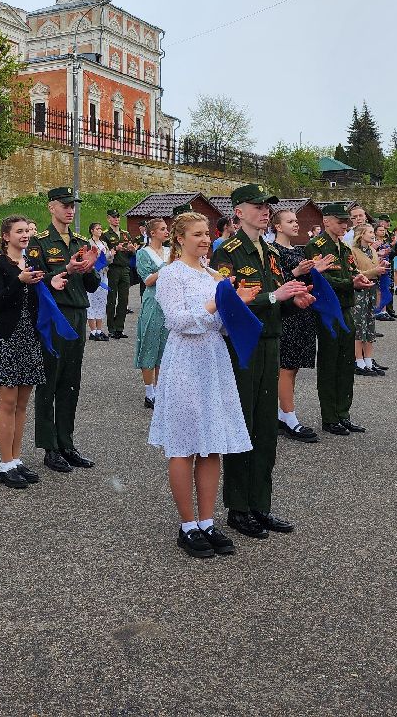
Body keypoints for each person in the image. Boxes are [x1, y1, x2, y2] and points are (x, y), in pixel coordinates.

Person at [150, 211, 256, 558]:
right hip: (184, 361)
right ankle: (187, 525)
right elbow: (178, 321)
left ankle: (208, 521)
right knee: (184, 444)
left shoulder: (214, 275)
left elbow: (222, 325)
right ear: (179, 239)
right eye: (196, 234)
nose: (204, 239)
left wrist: (236, 306)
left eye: (207, 233)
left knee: (211, 442)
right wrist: (217, 303)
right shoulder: (171, 274)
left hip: (213, 360)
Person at [209, 183, 308, 539]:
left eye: (268, 206)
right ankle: (238, 507)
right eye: (257, 205)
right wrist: (273, 296)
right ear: (238, 211)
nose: (265, 211)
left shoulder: (270, 251)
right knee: (243, 423)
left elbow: (277, 292)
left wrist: (292, 298)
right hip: (243, 346)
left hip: (270, 342)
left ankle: (260, 504)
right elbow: (226, 303)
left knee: (266, 428)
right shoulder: (227, 253)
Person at [31, 187, 101, 473]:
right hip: (53, 315)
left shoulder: (80, 242)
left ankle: (67, 442)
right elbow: (35, 280)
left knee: (71, 380)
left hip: (76, 313)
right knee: (50, 378)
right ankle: (50, 447)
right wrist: (65, 272)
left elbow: (93, 286)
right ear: (51, 207)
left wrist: (89, 270)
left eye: (73, 205)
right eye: (65, 205)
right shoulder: (40, 242)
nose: (70, 210)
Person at [0, 214, 47, 490]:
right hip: (6, 337)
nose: (24, 235)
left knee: (22, 404)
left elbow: (37, 298)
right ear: (6, 236)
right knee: (7, 402)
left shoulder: (31, 262)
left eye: (26, 231)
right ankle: (4, 463)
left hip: (29, 337)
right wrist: (20, 280)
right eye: (18, 231)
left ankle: (16, 459)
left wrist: (51, 285)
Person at [304, 202, 376, 438]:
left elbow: (350, 272)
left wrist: (359, 279)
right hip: (328, 312)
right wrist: (350, 283)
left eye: (346, 221)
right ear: (326, 222)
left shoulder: (343, 248)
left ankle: (343, 414)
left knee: (346, 364)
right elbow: (320, 282)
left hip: (346, 308)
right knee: (330, 364)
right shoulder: (317, 246)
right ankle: (330, 417)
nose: (344, 224)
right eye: (340, 221)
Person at [267, 209, 332, 443]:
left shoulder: (300, 250)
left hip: (303, 311)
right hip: (286, 313)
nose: (296, 224)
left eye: (296, 220)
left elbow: (305, 281)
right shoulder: (272, 251)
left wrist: (316, 272)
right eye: (290, 221)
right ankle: (289, 417)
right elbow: (274, 283)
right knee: (285, 367)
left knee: (292, 367)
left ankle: (283, 412)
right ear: (277, 226)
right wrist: (297, 272)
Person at [134, 218, 171, 407]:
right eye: (163, 229)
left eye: (167, 229)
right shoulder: (143, 253)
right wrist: (167, 267)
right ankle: (149, 392)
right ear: (152, 233)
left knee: (165, 346)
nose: (167, 232)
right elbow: (148, 280)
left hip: (169, 301)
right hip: (153, 300)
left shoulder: (170, 251)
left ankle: (161, 388)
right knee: (150, 343)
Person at [349, 223, 387, 377]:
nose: (373, 234)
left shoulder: (372, 250)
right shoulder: (353, 252)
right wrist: (375, 270)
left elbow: (374, 270)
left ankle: (369, 360)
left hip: (371, 290)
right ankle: (358, 361)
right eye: (370, 232)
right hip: (359, 292)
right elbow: (355, 273)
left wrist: (381, 266)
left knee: (370, 323)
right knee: (359, 326)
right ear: (361, 234)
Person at [105, 208, 134, 340]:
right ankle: (111, 328)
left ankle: (119, 328)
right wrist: (115, 248)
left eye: (117, 217)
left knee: (124, 299)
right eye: (114, 217)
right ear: (108, 219)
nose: (116, 219)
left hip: (125, 268)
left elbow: (132, 251)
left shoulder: (125, 234)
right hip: (113, 269)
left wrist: (131, 249)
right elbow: (103, 252)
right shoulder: (105, 234)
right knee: (111, 299)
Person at [85, 222, 110, 342]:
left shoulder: (104, 243)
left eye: (101, 228)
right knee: (91, 301)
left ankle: (100, 330)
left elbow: (110, 258)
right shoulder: (88, 243)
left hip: (104, 274)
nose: (100, 230)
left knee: (102, 301)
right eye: (97, 228)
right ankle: (93, 331)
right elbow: (87, 258)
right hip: (93, 274)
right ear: (92, 231)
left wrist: (110, 255)